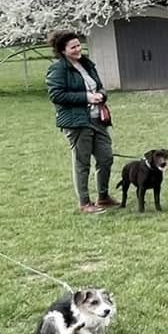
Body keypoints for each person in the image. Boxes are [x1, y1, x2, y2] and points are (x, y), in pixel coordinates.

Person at [46, 29, 117, 212]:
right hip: (76, 122)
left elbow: (100, 87)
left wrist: (101, 95)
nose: (78, 49)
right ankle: (85, 203)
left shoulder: (87, 64)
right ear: (63, 50)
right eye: (73, 47)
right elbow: (57, 95)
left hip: (97, 119)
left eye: (79, 45)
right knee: (82, 161)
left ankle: (103, 196)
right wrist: (86, 97)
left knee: (106, 157)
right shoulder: (58, 69)